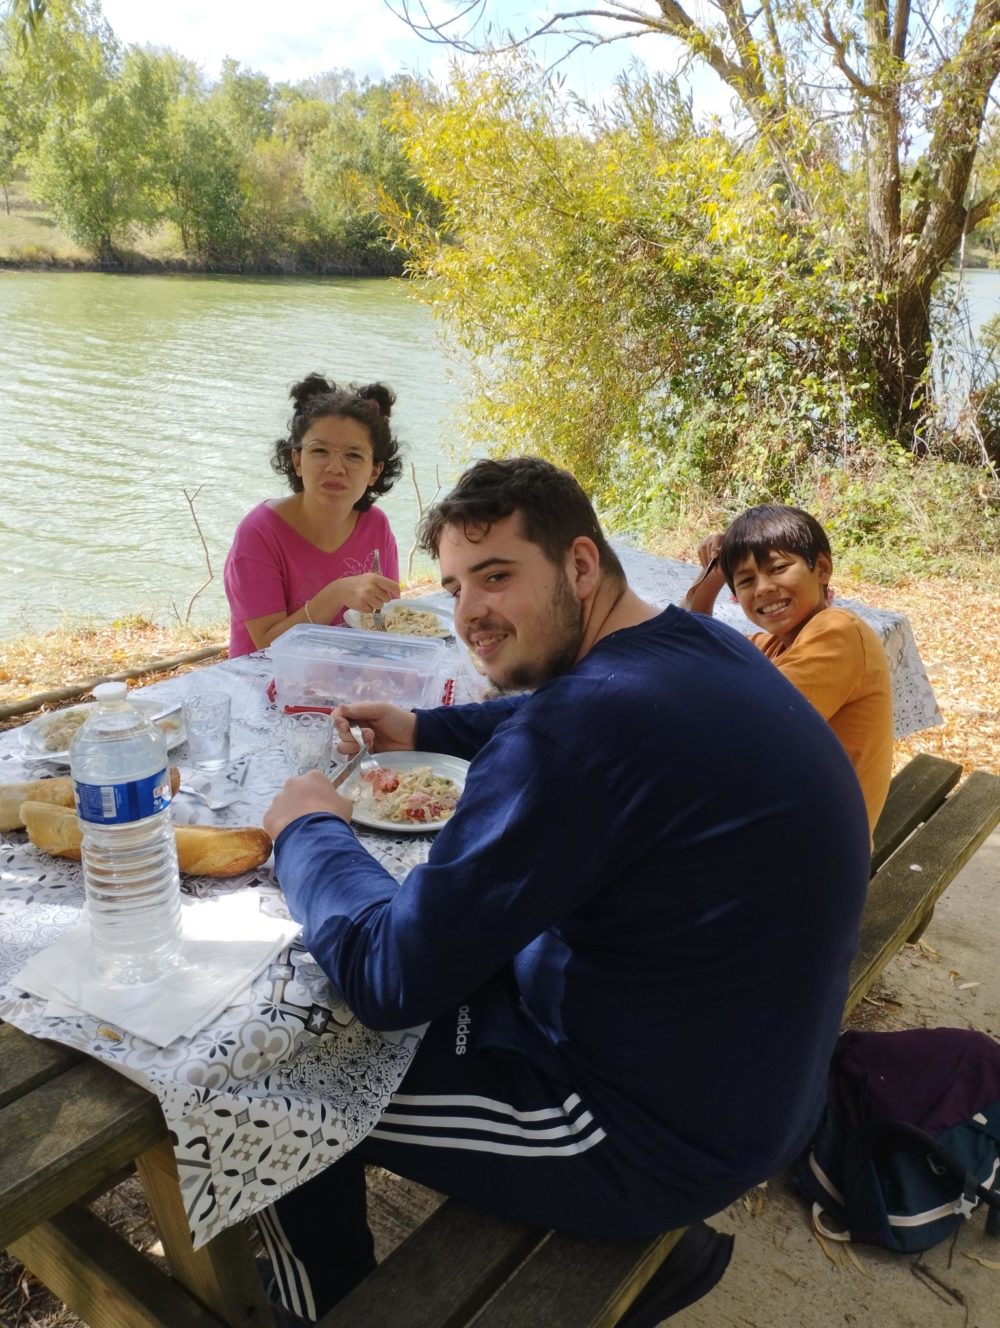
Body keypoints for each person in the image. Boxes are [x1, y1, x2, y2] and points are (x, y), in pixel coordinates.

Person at [259, 458, 871, 1326]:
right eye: (456, 586)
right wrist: (428, 728)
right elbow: (550, 717)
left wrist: (308, 829)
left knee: (288, 1084)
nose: (471, 613)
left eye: (498, 576)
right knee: (456, 949)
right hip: (751, 1071)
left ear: (581, 566)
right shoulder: (694, 646)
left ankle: (334, 1310)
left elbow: (389, 976)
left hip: (646, 1134)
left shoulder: (580, 736)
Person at [685, 504, 893, 833]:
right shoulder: (772, 645)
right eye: (746, 580)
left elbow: (747, 725)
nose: (763, 587)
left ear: (822, 568)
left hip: (815, 854)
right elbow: (693, 647)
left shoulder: (837, 631)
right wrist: (712, 577)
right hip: (795, 829)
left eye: (779, 568)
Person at [223, 374, 402, 658]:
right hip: (266, 684)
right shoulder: (259, 532)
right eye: (319, 450)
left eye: (354, 456)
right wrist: (334, 594)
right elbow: (266, 647)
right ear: (297, 460)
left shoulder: (375, 525)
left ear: (375, 471)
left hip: (352, 678)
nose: (335, 467)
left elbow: (387, 619)